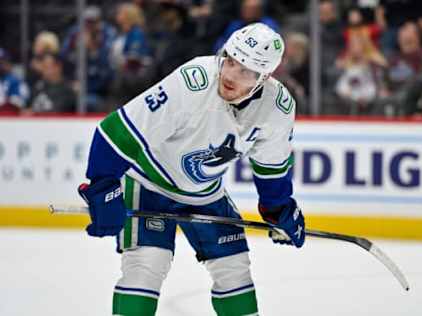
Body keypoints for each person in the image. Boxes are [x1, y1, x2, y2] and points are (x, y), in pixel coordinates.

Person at [78, 23, 305, 316]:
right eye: (231, 60)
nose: (230, 75)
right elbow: (117, 131)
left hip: (205, 194)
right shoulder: (193, 80)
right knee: (147, 264)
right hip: (149, 182)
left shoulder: (278, 107)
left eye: (246, 71)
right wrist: (102, 186)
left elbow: (271, 167)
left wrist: (279, 209)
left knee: (234, 269)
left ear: (264, 78)